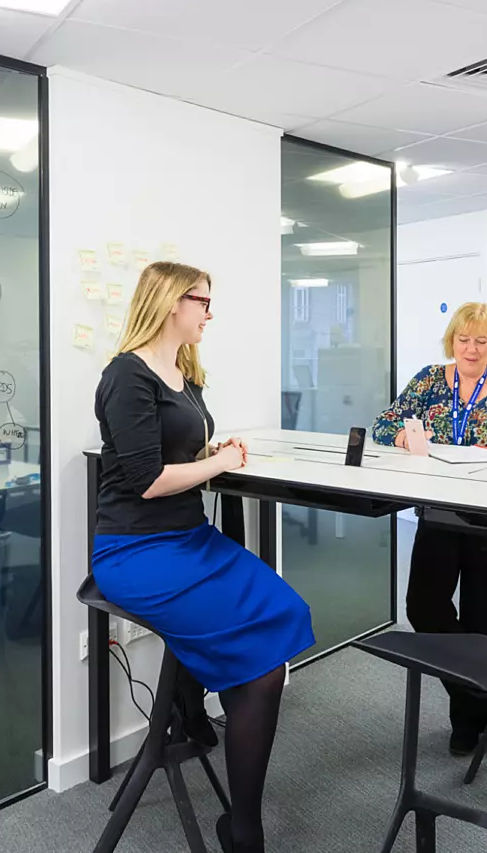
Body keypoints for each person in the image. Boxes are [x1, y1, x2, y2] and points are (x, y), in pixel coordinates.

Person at [91, 261, 314, 853]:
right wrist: (220, 464)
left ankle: (212, 736)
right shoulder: (126, 375)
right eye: (203, 302)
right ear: (171, 301)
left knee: (284, 618)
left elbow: (175, 450)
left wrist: (213, 448)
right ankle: (244, 827)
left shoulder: (184, 371)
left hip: (190, 540)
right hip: (135, 548)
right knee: (262, 667)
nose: (209, 313)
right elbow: (144, 479)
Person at [371, 301, 487, 755]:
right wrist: (403, 437)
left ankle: (472, 723)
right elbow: (383, 422)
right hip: (440, 512)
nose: (472, 349)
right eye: (464, 339)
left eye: (482, 341)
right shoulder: (431, 380)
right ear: (452, 341)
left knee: (483, 618)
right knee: (423, 607)